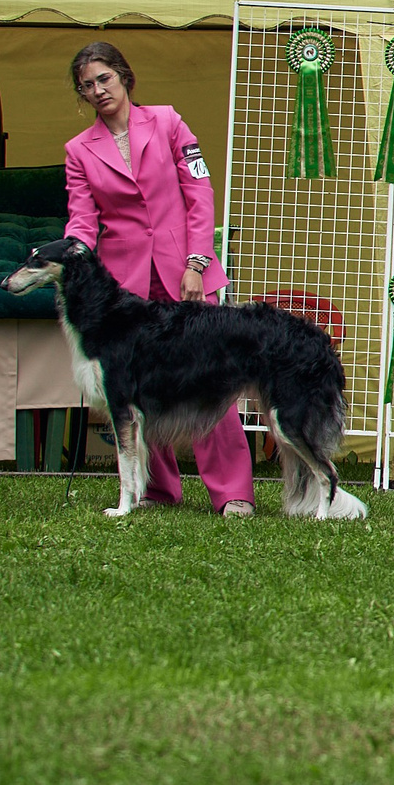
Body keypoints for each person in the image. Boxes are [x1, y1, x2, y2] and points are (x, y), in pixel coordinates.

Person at [62, 41, 255, 516]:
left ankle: (233, 493)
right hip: (123, 285)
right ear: (82, 95)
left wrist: (196, 263)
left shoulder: (169, 121)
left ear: (124, 76)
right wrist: (72, 253)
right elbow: (82, 219)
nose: (98, 90)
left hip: (186, 270)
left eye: (104, 78)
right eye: (87, 86)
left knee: (213, 380)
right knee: (139, 387)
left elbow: (199, 191)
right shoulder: (78, 151)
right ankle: (156, 490)